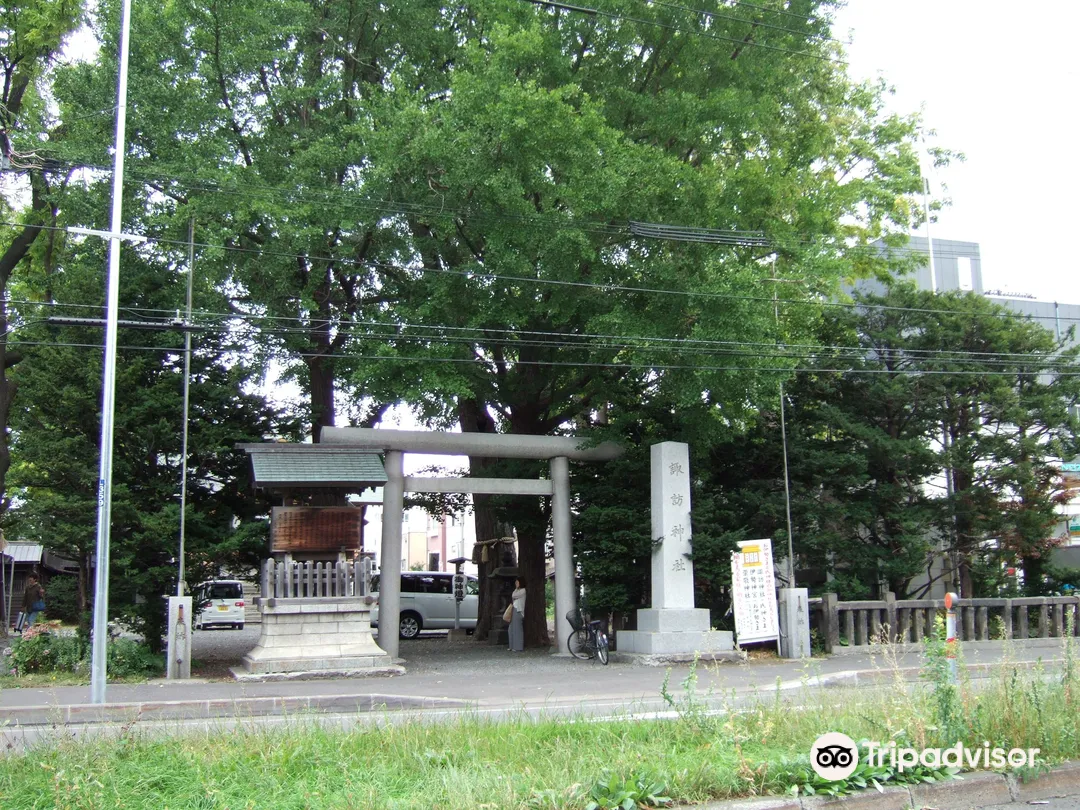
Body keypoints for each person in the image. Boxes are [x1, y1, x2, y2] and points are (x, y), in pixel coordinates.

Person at [508, 577, 526, 652]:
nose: (516, 584)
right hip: (514, 609)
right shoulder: (517, 590)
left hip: (518, 610)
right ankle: (512, 646)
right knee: (511, 628)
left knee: (517, 629)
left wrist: (515, 591)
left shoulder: (523, 590)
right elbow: (513, 594)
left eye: (517, 582)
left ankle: (518, 647)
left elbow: (514, 596)